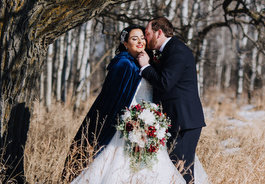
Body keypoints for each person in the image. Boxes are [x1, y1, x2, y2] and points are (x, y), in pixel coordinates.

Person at [63, 25, 209, 184]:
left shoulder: (148, 60)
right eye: (134, 38)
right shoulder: (123, 64)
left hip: (150, 126)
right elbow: (114, 100)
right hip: (128, 125)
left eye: (142, 37)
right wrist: (133, 120)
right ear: (125, 43)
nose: (140, 41)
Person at [137, 17, 206, 184]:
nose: (145, 38)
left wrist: (145, 67)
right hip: (175, 120)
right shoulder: (166, 51)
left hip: (184, 121)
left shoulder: (178, 50)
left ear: (159, 33)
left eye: (147, 33)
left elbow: (164, 83)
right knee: (175, 170)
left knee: (182, 171)